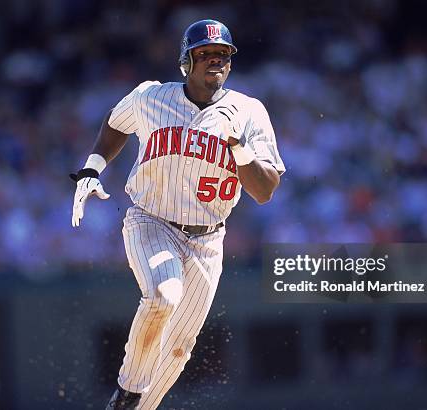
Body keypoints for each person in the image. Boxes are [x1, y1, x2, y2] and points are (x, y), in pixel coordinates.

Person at [71, 19, 285, 409]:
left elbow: (265, 190)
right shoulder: (151, 98)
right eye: (204, 54)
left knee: (178, 349)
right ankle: (127, 393)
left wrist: (237, 146)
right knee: (163, 296)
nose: (215, 61)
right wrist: (91, 167)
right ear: (186, 63)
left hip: (208, 239)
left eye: (222, 55)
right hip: (152, 220)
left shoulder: (249, 113)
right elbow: (116, 124)